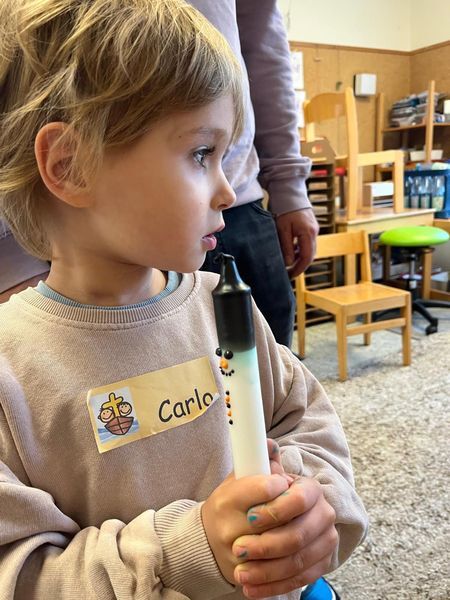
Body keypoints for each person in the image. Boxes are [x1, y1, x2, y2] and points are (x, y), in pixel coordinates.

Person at [0, 1, 367, 599]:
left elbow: (304, 420)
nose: (227, 190)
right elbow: (21, 574)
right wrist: (187, 552)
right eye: (201, 154)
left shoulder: (223, 308)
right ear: (71, 166)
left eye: (225, 157)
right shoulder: (11, 369)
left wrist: (308, 503)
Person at [195, 0, 319, 348]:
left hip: (247, 209)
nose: (223, 194)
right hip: (133, 220)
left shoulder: (231, 194)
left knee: (273, 355)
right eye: (199, 155)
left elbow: (265, 51)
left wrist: (288, 187)